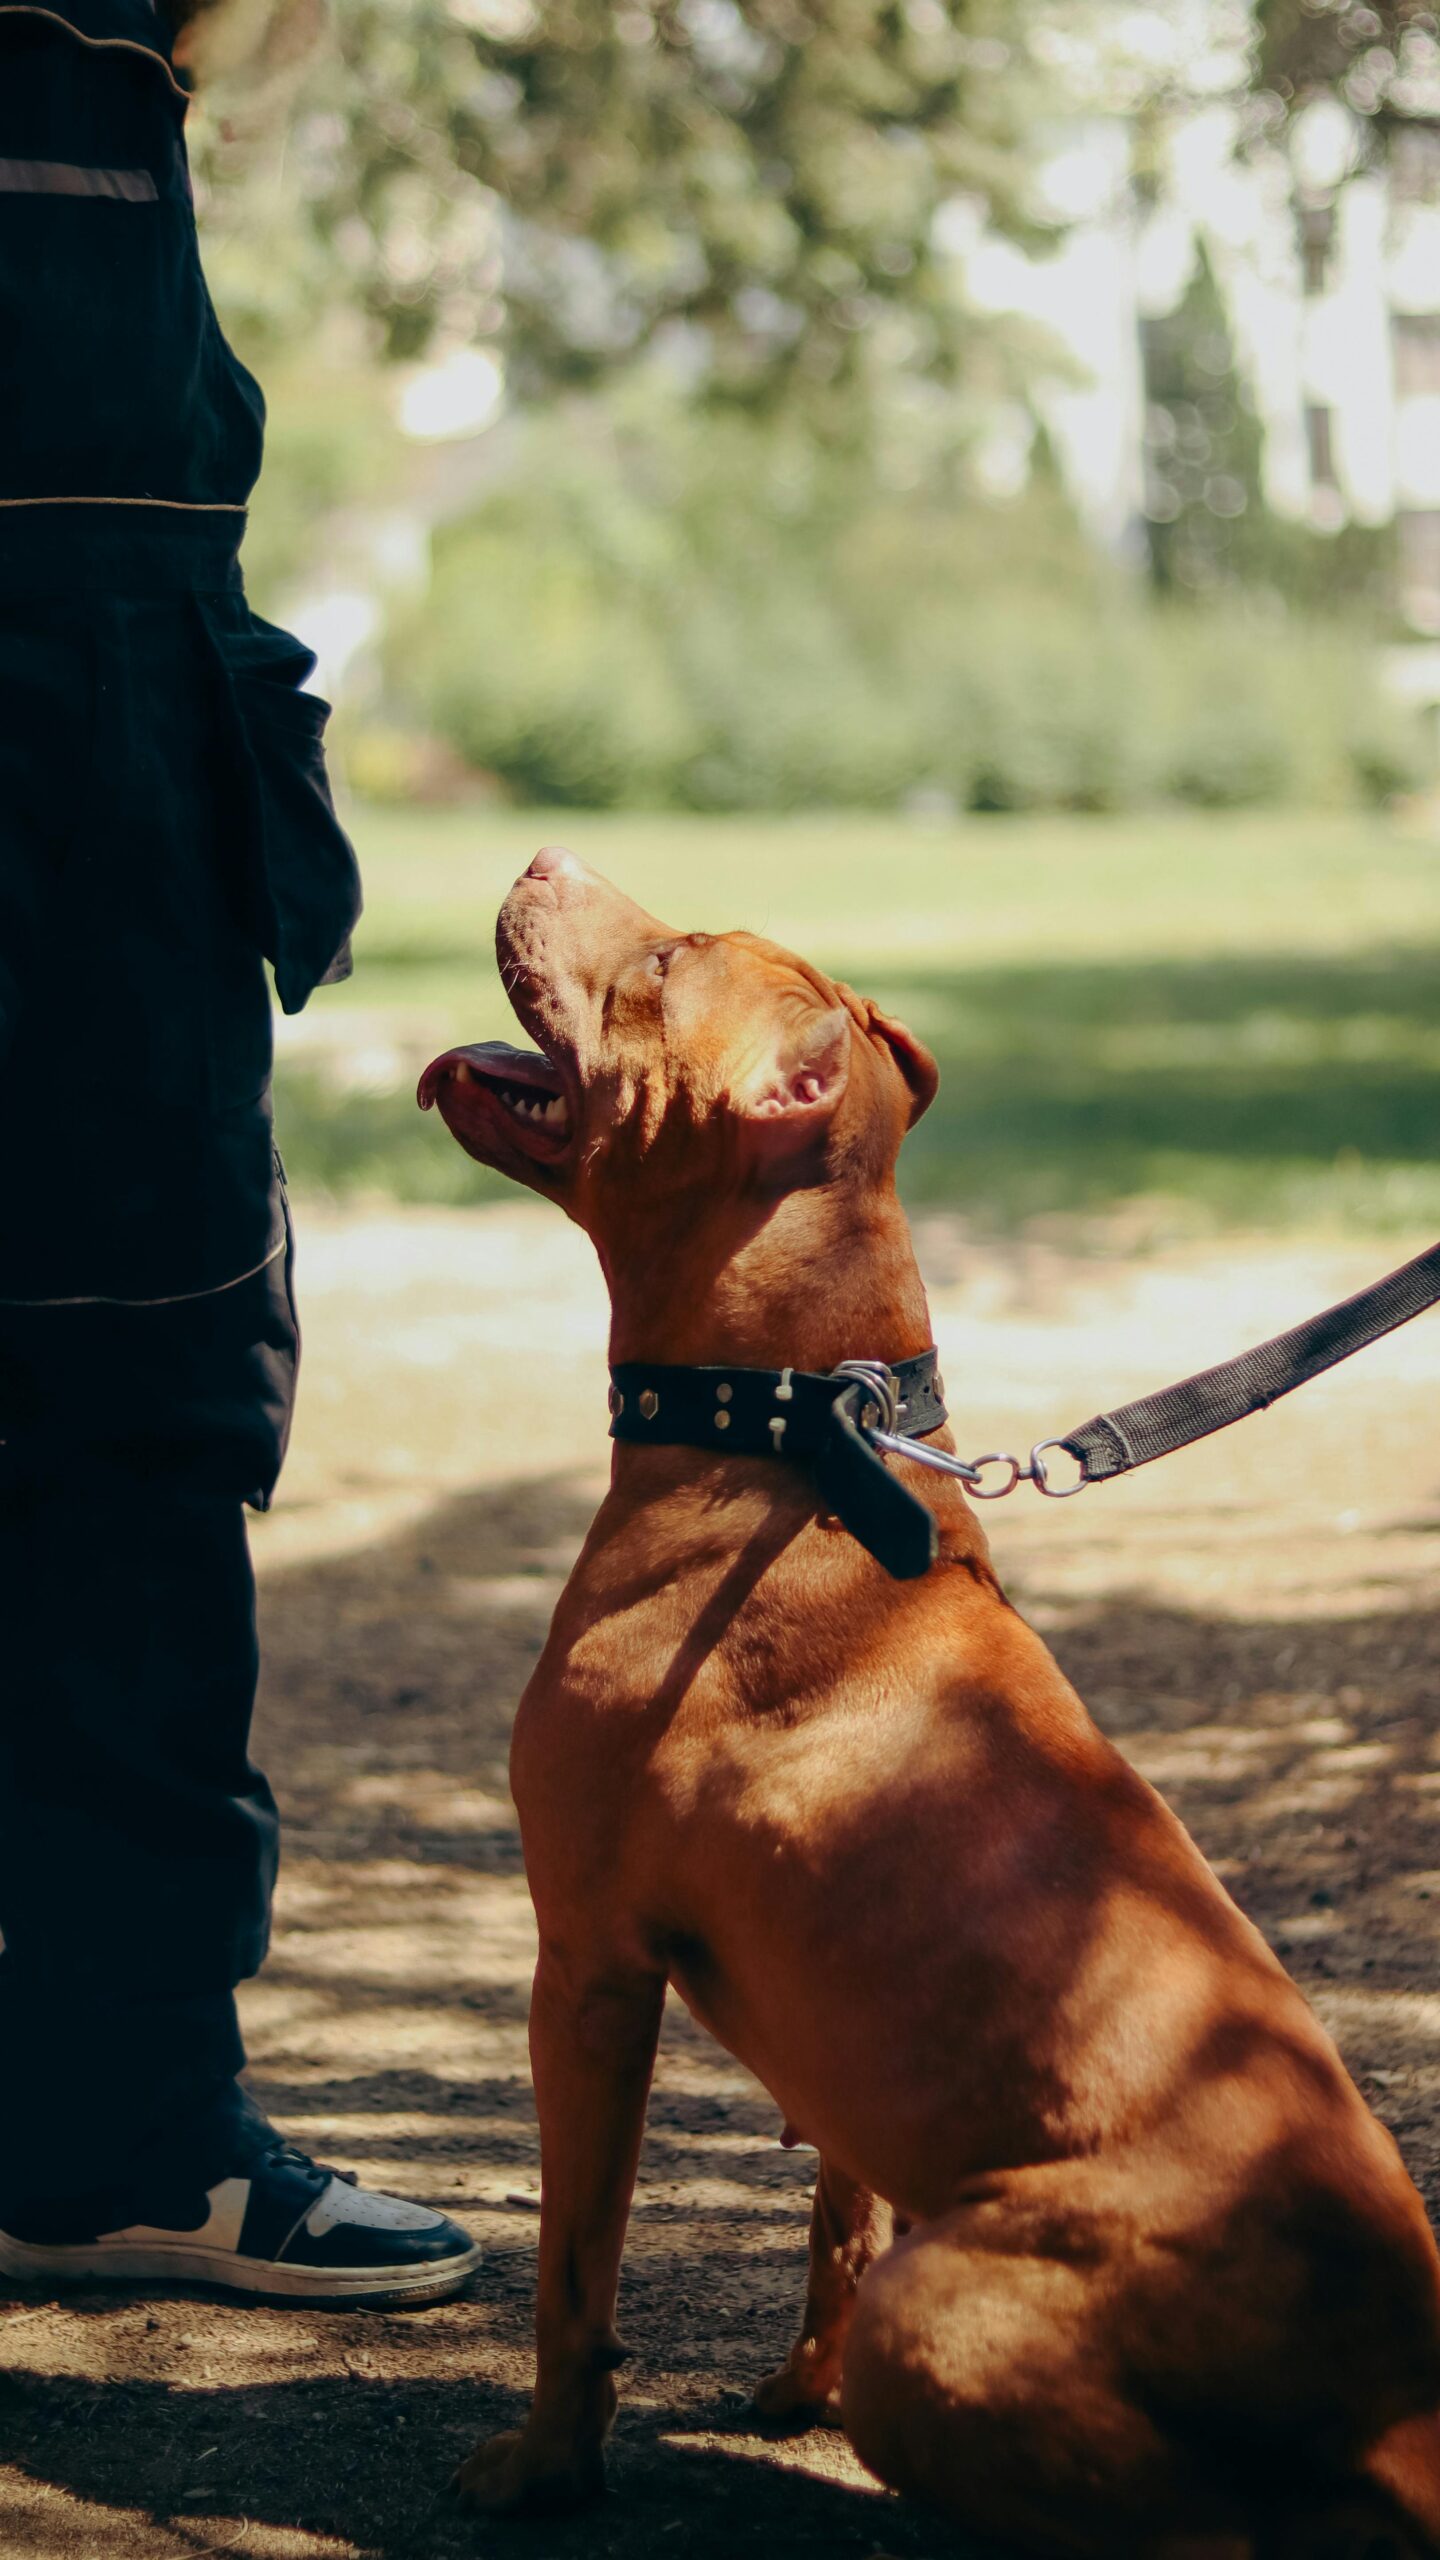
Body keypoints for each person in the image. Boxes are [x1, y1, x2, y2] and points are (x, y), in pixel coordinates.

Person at [0, 0, 481, 2306]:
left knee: (125, 1460)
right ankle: (110, 2138)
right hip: (68, 853)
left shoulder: (112, 66)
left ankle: (104, 2127)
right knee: (126, 1449)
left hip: (113, 824)